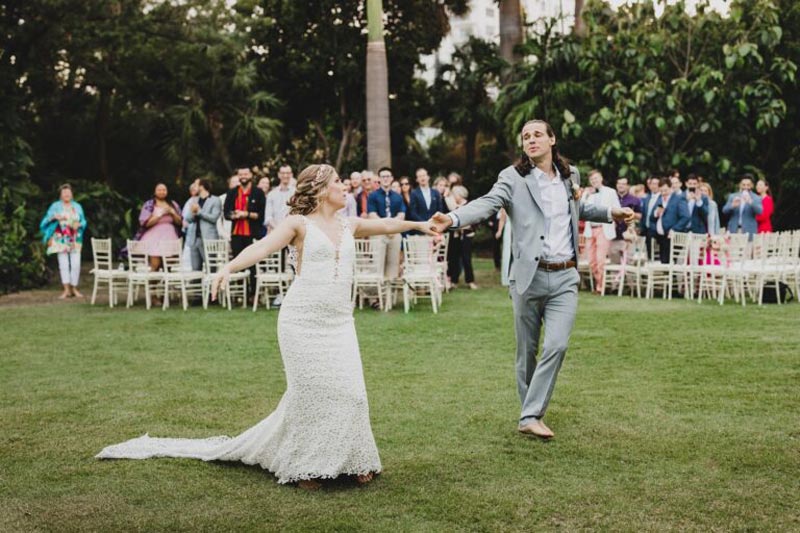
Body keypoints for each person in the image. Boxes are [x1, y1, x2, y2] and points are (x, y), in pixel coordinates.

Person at [96, 164, 436, 490]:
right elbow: (261, 247)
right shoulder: (297, 224)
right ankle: (306, 464)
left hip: (339, 323)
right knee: (310, 395)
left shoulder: (350, 224)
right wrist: (228, 268)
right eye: (337, 182)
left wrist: (421, 225)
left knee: (352, 393)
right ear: (319, 190)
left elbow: (390, 225)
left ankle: (355, 458)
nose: (344, 186)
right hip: (301, 321)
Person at [430, 119, 634, 439]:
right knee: (526, 352)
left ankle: (530, 414)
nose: (531, 140)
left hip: (565, 275)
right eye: (526, 137)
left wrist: (611, 213)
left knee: (557, 344)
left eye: (538, 134)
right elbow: (487, 203)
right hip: (528, 276)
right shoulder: (512, 178)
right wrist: (453, 218)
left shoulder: (571, 176)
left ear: (552, 139)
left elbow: (577, 208)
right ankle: (530, 414)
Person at [40, 184, 87, 299]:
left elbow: (84, 221)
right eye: (64, 193)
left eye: (68, 192)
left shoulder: (77, 206)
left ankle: (74, 288)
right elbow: (46, 219)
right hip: (60, 238)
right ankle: (66, 289)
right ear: (60, 195)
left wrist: (79, 224)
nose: (66, 195)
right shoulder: (55, 206)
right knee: (63, 264)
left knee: (76, 264)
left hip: (75, 238)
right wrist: (55, 217)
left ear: (72, 194)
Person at [224, 167, 266, 294]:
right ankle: (240, 295)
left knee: (252, 264)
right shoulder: (232, 193)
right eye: (240, 174)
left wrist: (245, 214)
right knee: (237, 263)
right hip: (236, 234)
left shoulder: (258, 193)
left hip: (251, 234)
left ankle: (253, 294)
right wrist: (234, 215)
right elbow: (226, 214)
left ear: (250, 175)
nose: (243, 176)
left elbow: (260, 215)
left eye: (245, 174)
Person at [581, 170, 621, 291]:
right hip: (590, 230)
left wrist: (613, 222)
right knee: (591, 261)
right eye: (592, 179)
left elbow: (617, 209)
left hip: (603, 229)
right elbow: (581, 208)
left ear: (601, 178)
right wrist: (585, 194)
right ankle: (599, 282)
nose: (594, 181)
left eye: (596, 178)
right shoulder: (588, 194)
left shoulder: (611, 192)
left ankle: (600, 287)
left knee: (600, 260)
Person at [367, 167, 406, 280]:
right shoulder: (373, 196)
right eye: (383, 176)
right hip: (379, 233)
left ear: (392, 178)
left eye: (388, 176)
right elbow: (372, 215)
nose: (385, 178)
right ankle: (377, 295)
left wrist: (392, 228)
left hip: (394, 234)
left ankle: (390, 296)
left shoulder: (398, 197)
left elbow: (401, 215)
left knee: (393, 265)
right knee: (377, 265)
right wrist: (386, 228)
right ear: (379, 179)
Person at [135, 183, 183, 274]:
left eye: (164, 190)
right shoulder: (149, 204)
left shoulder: (173, 204)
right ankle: (152, 287)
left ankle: (166, 287)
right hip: (154, 237)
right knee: (155, 266)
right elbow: (145, 223)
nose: (162, 192)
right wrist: (160, 214)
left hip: (170, 237)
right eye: (159, 190)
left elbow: (180, 222)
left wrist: (172, 213)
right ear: (155, 192)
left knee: (168, 266)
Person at [184, 179, 221, 271]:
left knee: (211, 268)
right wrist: (193, 212)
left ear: (202, 186)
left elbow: (214, 218)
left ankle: (211, 285)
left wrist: (199, 212)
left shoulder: (215, 200)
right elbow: (188, 219)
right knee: (195, 269)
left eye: (196, 185)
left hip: (209, 239)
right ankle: (196, 285)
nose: (193, 187)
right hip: (194, 239)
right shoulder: (194, 200)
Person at [650, 177, 690, 263]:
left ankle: (670, 276)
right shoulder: (659, 198)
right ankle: (665, 275)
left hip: (672, 235)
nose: (663, 193)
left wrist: (674, 229)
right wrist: (656, 213)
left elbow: (686, 217)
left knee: (669, 261)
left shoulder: (679, 199)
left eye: (665, 190)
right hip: (660, 236)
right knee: (663, 261)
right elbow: (651, 217)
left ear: (671, 188)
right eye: (661, 191)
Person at [449, 185, 478, 289]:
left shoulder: (469, 205)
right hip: (456, 236)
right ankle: (454, 281)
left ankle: (470, 281)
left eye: (454, 194)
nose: (453, 196)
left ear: (460, 194)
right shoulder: (454, 206)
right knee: (455, 258)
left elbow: (475, 219)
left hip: (467, 235)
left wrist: (470, 229)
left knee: (466, 258)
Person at [609, 176, 642, 264]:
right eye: (619, 183)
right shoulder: (611, 198)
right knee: (614, 265)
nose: (621, 186)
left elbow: (640, 216)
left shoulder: (635, 200)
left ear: (627, 186)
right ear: (616, 185)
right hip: (614, 236)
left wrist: (630, 214)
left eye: (623, 184)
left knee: (629, 264)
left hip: (629, 236)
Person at [722, 175, 763, 239]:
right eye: (743, 185)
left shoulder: (756, 198)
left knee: (748, 248)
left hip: (749, 231)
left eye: (748, 185)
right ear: (740, 185)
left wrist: (751, 202)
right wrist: (732, 205)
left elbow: (760, 211)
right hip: (734, 229)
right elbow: (724, 210)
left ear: (752, 185)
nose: (745, 187)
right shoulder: (733, 196)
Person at [264, 165, 296, 234]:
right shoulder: (271, 194)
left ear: (291, 175)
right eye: (283, 173)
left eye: (288, 173)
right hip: (275, 233)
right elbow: (268, 217)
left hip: (292, 233)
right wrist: (279, 229)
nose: (285, 175)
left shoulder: (296, 193)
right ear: (279, 175)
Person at [639, 175, 662, 260]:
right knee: (648, 251)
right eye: (652, 184)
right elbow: (643, 214)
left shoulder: (662, 198)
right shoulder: (647, 197)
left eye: (656, 184)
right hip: (646, 228)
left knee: (656, 252)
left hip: (656, 229)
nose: (654, 186)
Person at [217, 174, 240, 241]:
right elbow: (218, 221)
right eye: (234, 182)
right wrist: (224, 235)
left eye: (238, 181)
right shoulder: (221, 199)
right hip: (226, 236)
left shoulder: (246, 198)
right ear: (229, 184)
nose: (237, 184)